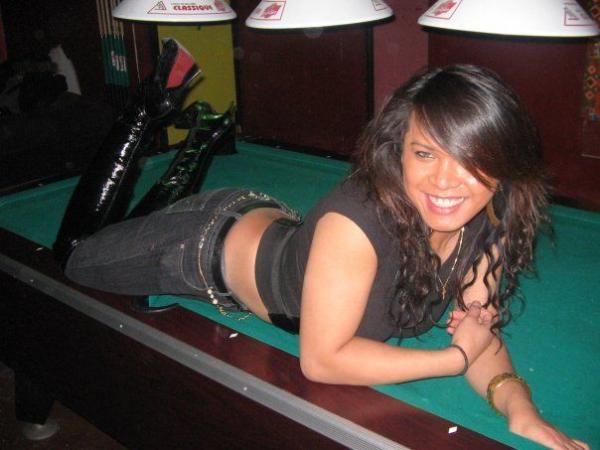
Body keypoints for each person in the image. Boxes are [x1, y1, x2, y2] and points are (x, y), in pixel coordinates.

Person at [53, 40, 588, 450]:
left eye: (469, 158)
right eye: (425, 154)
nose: (445, 181)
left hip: (276, 229)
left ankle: (202, 141)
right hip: (201, 245)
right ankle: (146, 110)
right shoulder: (357, 224)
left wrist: (520, 409)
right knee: (75, 255)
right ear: (399, 152)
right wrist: (451, 359)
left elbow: (479, 334)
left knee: (130, 226)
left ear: (503, 166)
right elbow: (324, 360)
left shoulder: (487, 221)